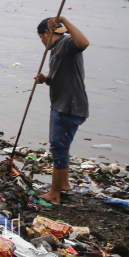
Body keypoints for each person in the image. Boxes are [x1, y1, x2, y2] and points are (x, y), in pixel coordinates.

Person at [34, 16, 89, 204]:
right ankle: (64, 184)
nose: (42, 42)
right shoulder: (57, 49)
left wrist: (64, 20)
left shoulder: (66, 43)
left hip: (68, 106)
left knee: (58, 148)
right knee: (62, 147)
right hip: (64, 104)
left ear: (47, 33)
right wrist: (46, 79)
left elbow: (83, 43)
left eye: (41, 37)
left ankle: (54, 194)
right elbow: (61, 77)